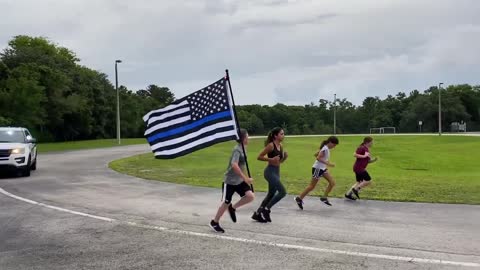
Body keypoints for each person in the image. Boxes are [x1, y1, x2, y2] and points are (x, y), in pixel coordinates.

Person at [210, 129, 255, 233]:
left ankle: (233, 208)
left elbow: (242, 165)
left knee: (250, 196)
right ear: (243, 138)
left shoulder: (244, 148)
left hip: (239, 180)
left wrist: (246, 177)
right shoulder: (237, 150)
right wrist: (246, 179)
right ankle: (214, 222)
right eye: (247, 136)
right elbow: (234, 165)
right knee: (226, 202)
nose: (249, 138)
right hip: (229, 181)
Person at [251, 127, 288, 223]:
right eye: (281, 134)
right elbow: (259, 157)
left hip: (276, 171)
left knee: (271, 194)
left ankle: (258, 214)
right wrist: (270, 159)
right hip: (269, 172)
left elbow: (279, 162)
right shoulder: (271, 146)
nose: (283, 135)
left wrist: (285, 158)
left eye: (283, 133)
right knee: (282, 192)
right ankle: (266, 209)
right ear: (276, 135)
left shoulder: (281, 145)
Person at [295, 136, 339, 209]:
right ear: (330, 142)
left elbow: (316, 154)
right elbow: (318, 158)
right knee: (312, 186)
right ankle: (299, 198)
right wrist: (328, 163)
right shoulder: (325, 148)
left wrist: (324, 161)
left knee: (332, 183)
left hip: (323, 169)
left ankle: (324, 198)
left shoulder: (325, 148)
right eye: (334, 145)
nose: (334, 147)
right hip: (317, 169)